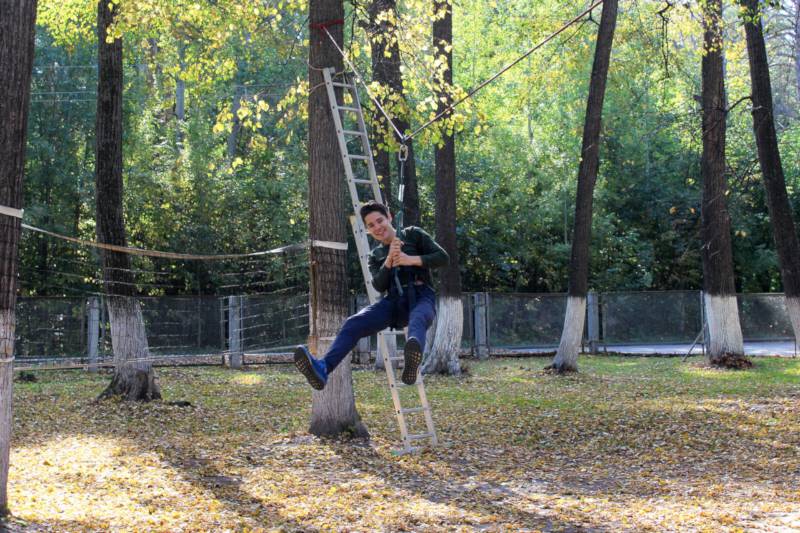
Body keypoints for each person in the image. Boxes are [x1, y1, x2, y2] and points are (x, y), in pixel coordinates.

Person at [294, 200, 449, 389]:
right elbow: (378, 285)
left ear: (389, 217)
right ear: (368, 229)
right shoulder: (375, 255)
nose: (377, 227)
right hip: (393, 303)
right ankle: (323, 368)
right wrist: (389, 261)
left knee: (418, 318)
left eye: (379, 220)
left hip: (421, 296)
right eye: (371, 225)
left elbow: (443, 258)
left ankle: (412, 359)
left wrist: (410, 259)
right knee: (353, 323)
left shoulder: (412, 234)